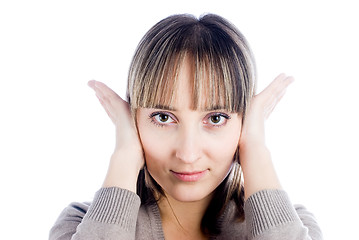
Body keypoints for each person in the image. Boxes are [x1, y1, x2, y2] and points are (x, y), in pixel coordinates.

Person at [49, 14, 322, 240]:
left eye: (216, 118)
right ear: (133, 120)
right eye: (163, 117)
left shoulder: (293, 225)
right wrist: (125, 156)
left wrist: (256, 151)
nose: (188, 154)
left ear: (245, 122)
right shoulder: (81, 224)